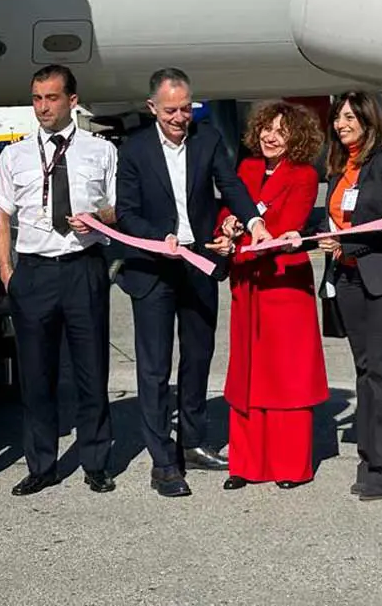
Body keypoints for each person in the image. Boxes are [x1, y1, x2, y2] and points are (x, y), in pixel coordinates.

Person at [114, 68, 271, 497]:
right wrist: (154, 238)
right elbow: (125, 212)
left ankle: (194, 440)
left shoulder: (208, 139)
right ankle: (163, 461)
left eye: (186, 108)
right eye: (171, 110)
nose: (181, 117)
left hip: (199, 262)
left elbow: (231, 184)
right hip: (154, 266)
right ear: (152, 108)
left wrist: (254, 220)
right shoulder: (135, 150)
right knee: (154, 366)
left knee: (198, 357)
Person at [0, 65, 119, 497]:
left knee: (91, 371)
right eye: (36, 99)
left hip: (83, 266)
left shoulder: (100, 151)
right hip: (34, 272)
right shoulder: (15, 156)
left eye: (51, 98)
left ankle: (96, 462)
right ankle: (41, 464)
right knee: (36, 375)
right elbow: (3, 220)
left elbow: (117, 212)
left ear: (72, 100)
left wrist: (98, 219)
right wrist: (8, 274)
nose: (43, 107)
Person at [217, 101, 329, 490]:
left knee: (286, 375)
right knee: (247, 373)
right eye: (266, 128)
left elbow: (287, 225)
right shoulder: (246, 169)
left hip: (283, 284)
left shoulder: (303, 175)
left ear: (296, 136)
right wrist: (228, 227)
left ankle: (289, 465)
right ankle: (246, 464)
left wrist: (244, 235)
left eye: (280, 130)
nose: (270, 136)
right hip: (247, 282)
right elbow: (228, 211)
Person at [318, 92, 382, 501]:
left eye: (348, 117)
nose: (341, 124)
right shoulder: (339, 165)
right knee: (364, 370)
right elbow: (331, 216)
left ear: (368, 118)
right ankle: (370, 457)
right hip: (347, 279)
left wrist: (346, 246)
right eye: (337, 118)